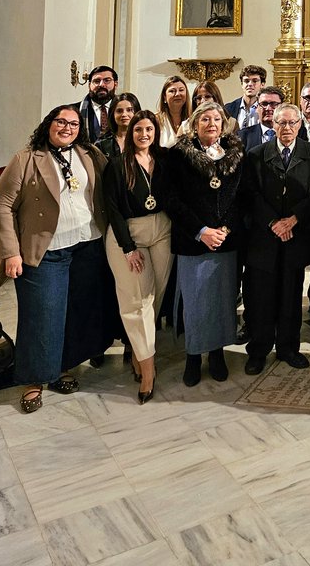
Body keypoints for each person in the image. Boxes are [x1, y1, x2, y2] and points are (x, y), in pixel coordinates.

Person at [0, 106, 113, 413]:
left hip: (87, 245)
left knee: (74, 312)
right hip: (46, 251)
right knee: (42, 316)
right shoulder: (27, 158)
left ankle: (62, 367)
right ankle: (34, 380)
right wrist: (11, 252)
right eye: (61, 121)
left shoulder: (88, 154)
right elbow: (2, 204)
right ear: (48, 124)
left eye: (74, 123)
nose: (68, 127)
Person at [161, 100, 245, 387]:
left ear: (224, 125)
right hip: (192, 240)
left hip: (226, 240)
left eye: (217, 120)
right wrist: (201, 230)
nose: (211, 124)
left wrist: (223, 229)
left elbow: (240, 199)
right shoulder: (178, 156)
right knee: (195, 303)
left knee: (223, 301)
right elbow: (172, 200)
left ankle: (218, 352)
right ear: (195, 125)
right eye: (205, 119)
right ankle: (194, 355)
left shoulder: (235, 154)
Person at [241, 103, 310, 375]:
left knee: (291, 296)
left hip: (296, 236)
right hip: (264, 238)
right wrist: (273, 222)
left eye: (292, 123)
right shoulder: (256, 154)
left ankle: (289, 348)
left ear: (300, 125)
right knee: (261, 298)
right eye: (281, 123)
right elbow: (251, 194)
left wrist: (293, 220)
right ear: (272, 124)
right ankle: (258, 350)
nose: (286, 128)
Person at [102, 109, 173, 403]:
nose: (144, 135)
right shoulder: (118, 165)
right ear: (130, 134)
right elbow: (112, 208)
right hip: (128, 234)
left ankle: (139, 349)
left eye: (149, 130)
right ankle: (148, 370)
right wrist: (128, 247)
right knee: (136, 300)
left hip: (162, 228)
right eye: (138, 130)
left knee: (155, 295)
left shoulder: (164, 160)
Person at [95, 92, 141, 164]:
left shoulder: (143, 140)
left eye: (129, 110)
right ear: (112, 114)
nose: (124, 114)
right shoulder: (102, 144)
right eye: (119, 111)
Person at [78, 65, 118, 143]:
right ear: (89, 85)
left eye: (107, 80)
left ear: (115, 84)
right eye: (97, 81)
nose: (101, 84)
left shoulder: (127, 111)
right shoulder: (76, 111)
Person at [238, 86, 284, 154]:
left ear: (282, 107)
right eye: (264, 104)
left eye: (273, 104)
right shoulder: (243, 136)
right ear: (257, 107)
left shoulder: (295, 133)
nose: (268, 108)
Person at [225, 64, 267, 130]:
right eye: (246, 81)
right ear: (242, 84)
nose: (250, 84)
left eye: (255, 81)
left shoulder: (266, 109)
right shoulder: (228, 108)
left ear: (262, 84)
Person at [156, 75, 191, 149]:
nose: (177, 94)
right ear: (164, 97)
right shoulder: (156, 120)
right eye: (172, 91)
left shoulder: (193, 119)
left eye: (181, 90)